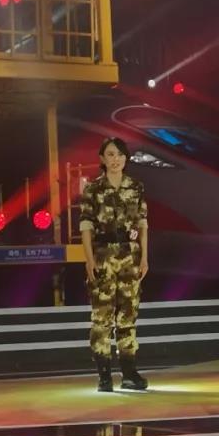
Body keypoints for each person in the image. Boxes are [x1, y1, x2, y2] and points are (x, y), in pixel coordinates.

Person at [79, 136, 149, 392]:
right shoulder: (93, 189)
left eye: (119, 154)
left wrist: (144, 257)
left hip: (130, 255)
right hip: (103, 256)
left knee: (128, 315)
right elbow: (86, 227)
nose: (115, 159)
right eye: (110, 154)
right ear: (102, 158)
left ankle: (129, 373)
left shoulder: (136, 187)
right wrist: (89, 260)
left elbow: (142, 224)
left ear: (126, 158)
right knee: (102, 317)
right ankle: (104, 375)